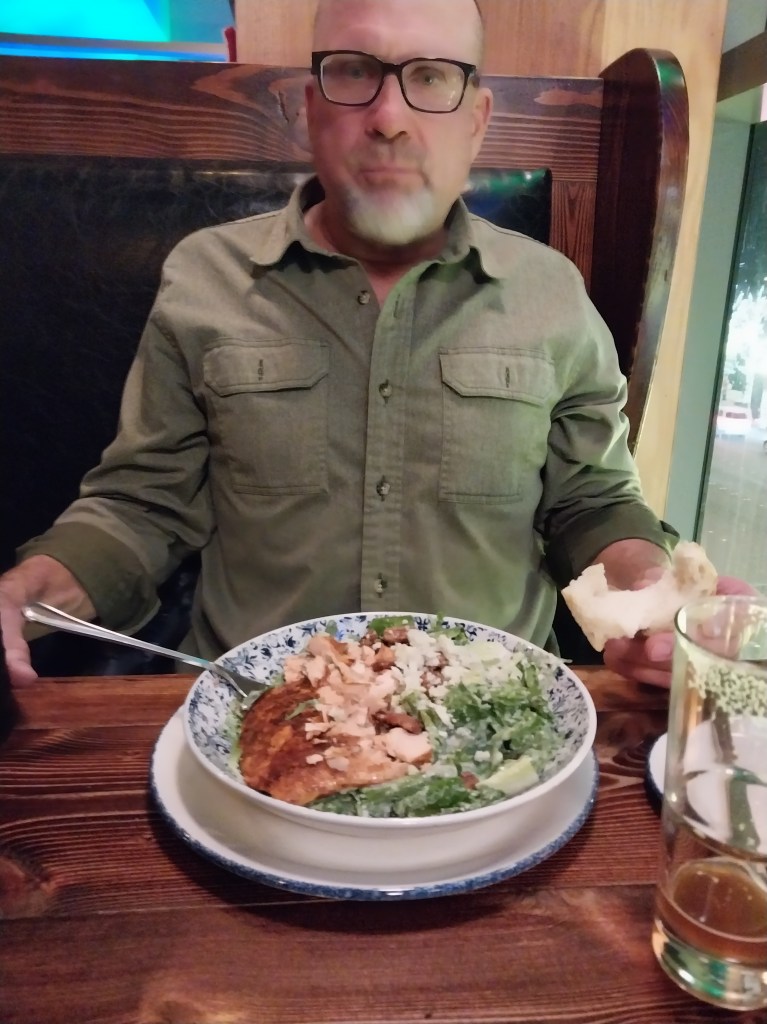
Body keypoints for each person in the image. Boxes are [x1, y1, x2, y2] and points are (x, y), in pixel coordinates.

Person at [0, 0, 751, 690]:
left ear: (477, 119)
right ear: (310, 108)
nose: (389, 117)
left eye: (432, 76)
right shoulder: (205, 277)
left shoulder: (551, 291)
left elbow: (591, 499)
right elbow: (144, 506)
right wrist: (28, 591)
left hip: (499, 713)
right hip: (255, 711)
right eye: (354, 72)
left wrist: (650, 594)